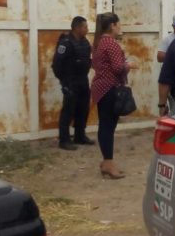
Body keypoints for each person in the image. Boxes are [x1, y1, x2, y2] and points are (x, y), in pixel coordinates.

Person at [91, 12, 139, 179]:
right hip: (109, 89)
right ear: (112, 26)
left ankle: (107, 162)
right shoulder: (110, 43)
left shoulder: (98, 42)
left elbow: (96, 65)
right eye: (119, 24)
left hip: (101, 88)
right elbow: (118, 68)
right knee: (107, 127)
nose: (120, 27)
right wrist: (129, 65)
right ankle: (109, 163)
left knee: (105, 125)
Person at [52, 16, 93, 151]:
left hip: (83, 80)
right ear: (78, 28)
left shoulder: (85, 42)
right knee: (68, 110)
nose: (87, 30)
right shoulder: (65, 43)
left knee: (83, 109)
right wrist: (64, 82)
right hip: (70, 81)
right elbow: (56, 65)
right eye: (85, 27)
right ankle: (64, 140)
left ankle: (79, 136)